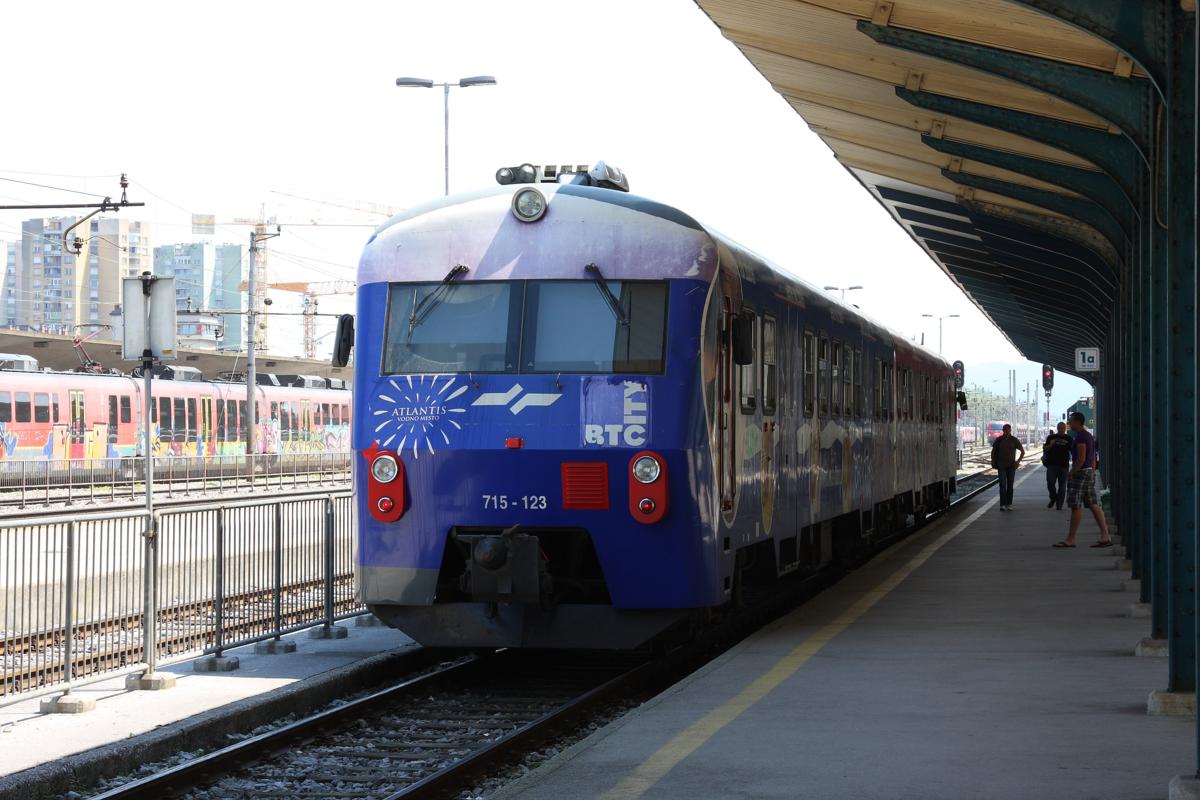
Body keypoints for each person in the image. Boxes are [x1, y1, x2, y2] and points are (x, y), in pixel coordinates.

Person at [1052, 412, 1113, 548]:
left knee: (1075, 505)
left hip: (1080, 474)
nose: (1069, 423)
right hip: (1088, 472)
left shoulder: (1080, 437)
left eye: (1071, 421)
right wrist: (1091, 472)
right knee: (1093, 504)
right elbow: (1091, 459)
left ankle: (1071, 539)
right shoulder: (1088, 436)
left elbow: (1081, 458)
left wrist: (1071, 473)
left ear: (1077, 422)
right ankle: (1105, 535)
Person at [990, 423, 1024, 510]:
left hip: (1012, 465)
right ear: (1003, 430)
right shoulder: (999, 440)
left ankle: (1009, 504)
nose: (1006, 431)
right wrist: (993, 461)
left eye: (1008, 429)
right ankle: (1002, 504)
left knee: (1010, 485)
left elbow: (1022, 451)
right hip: (1001, 464)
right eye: (1005, 429)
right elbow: (993, 451)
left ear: (1010, 430)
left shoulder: (1014, 440)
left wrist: (1018, 462)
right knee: (1002, 484)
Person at [1042, 422, 1072, 510]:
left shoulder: (1068, 438)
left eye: (1063, 428)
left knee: (1062, 486)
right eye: (1060, 428)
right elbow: (1045, 448)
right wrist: (1051, 445)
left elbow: (1073, 450)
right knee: (1050, 483)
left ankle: (1059, 504)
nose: (1061, 430)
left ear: (1065, 429)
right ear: (1057, 428)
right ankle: (1053, 498)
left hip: (1064, 466)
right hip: (1051, 465)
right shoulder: (1051, 437)